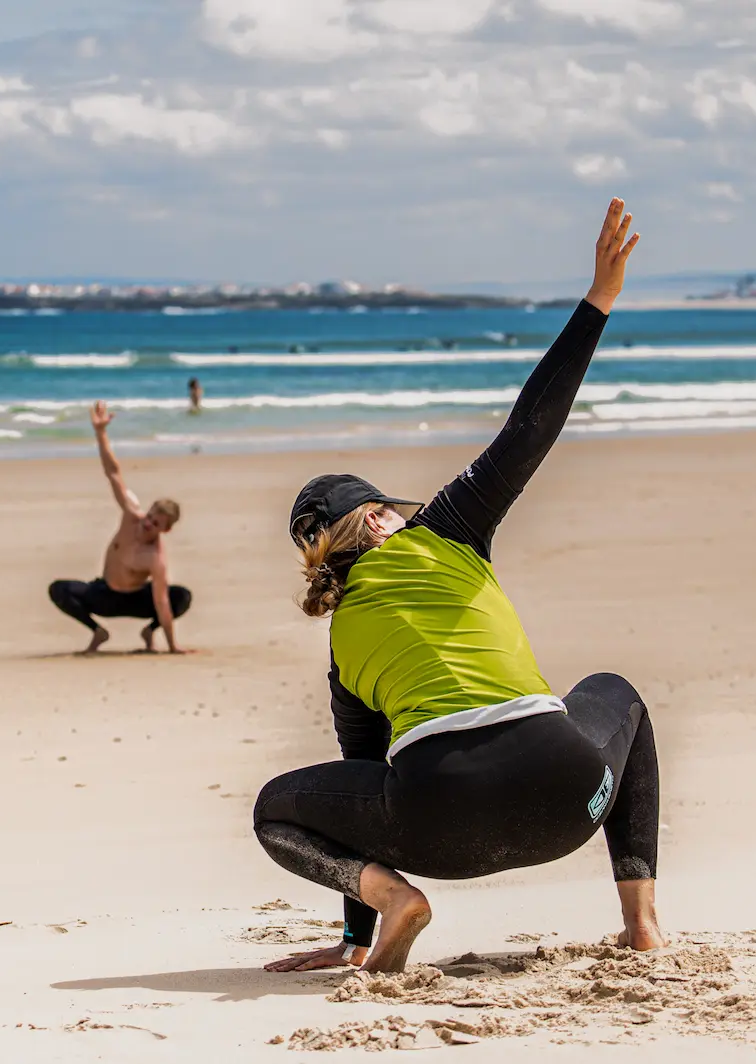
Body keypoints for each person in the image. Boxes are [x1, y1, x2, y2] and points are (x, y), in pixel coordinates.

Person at [254, 198, 659, 975]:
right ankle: (641, 923)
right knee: (620, 694)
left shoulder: (343, 645)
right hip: (568, 801)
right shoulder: (448, 531)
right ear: (375, 523)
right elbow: (529, 428)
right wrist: (598, 301)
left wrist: (354, 933)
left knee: (277, 808)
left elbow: (360, 789)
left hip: (441, 832)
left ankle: (391, 906)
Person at [47, 401, 192, 654]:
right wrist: (101, 433)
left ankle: (149, 632)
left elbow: (161, 600)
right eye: (149, 517)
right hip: (105, 594)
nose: (148, 524)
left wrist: (173, 646)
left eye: (155, 524)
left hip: (137, 599)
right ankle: (98, 632)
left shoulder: (155, 557)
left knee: (181, 596)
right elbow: (113, 473)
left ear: (165, 530)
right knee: (59, 589)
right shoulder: (130, 515)